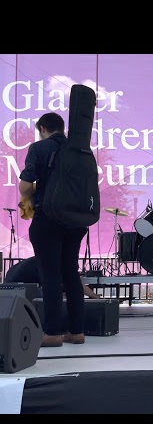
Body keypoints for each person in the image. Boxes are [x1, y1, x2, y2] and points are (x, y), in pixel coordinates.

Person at [19, 112, 89, 347]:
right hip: (75, 220)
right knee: (70, 273)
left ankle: (52, 333)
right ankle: (77, 332)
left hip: (48, 219)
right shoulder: (81, 150)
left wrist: (28, 197)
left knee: (49, 275)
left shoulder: (39, 148)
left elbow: (26, 185)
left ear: (42, 128)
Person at [4, 256, 100, 299]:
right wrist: (97, 298)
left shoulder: (41, 260)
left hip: (7, 289)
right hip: (20, 290)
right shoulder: (51, 265)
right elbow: (78, 286)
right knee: (54, 300)